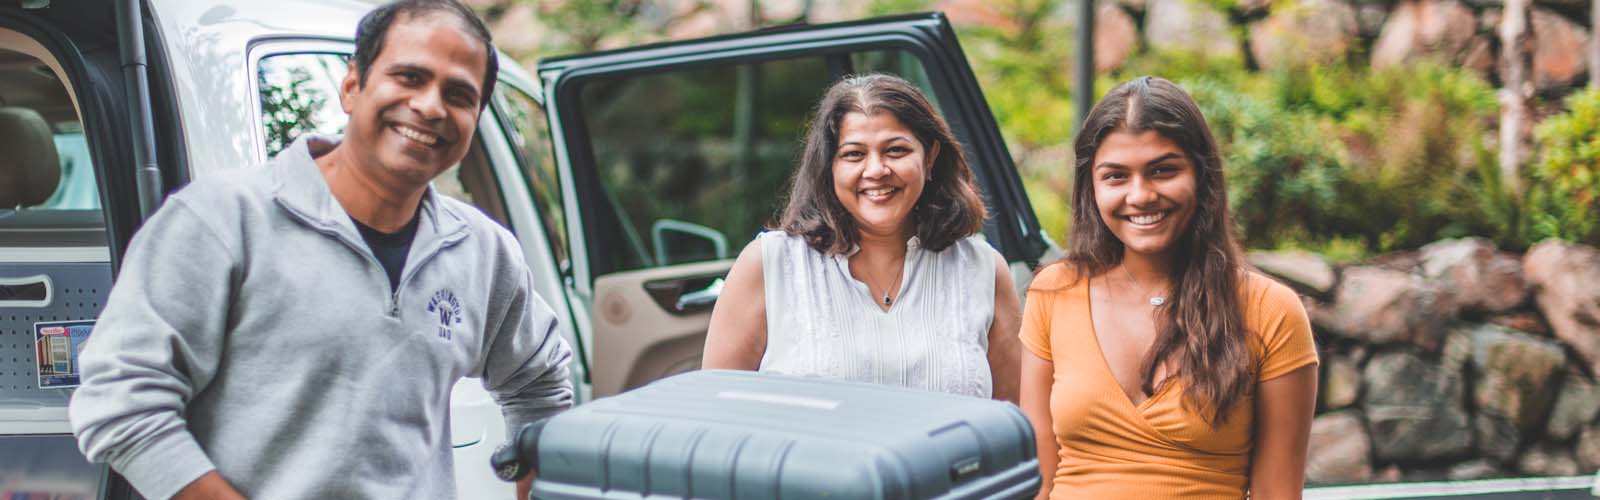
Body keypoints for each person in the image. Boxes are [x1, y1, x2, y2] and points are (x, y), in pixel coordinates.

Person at [67, 2, 573, 499]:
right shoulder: (220, 220)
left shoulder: (483, 252)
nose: (431, 106)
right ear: (352, 86)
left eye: (459, 95)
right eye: (410, 77)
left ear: (474, 119)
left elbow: (541, 383)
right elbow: (119, 401)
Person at [1018, 76, 1318, 499]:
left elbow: (1277, 492)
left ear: (1202, 175)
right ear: (1092, 187)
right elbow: (1039, 482)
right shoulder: (1053, 292)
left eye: (1163, 171)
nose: (1140, 195)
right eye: (1116, 176)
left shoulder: (1270, 311)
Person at [701, 74, 1021, 403]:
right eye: (854, 154)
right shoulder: (770, 264)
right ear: (829, 167)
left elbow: (1013, 421)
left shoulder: (982, 268)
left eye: (896, 150)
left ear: (929, 157)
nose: (876, 170)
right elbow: (717, 412)